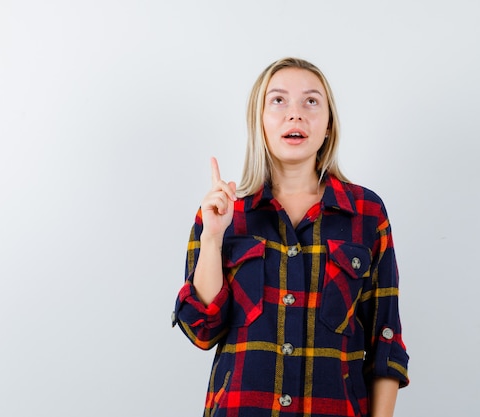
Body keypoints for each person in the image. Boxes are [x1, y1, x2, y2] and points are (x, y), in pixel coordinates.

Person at [172, 57, 409, 417]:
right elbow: (201, 330)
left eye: (311, 101)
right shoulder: (223, 213)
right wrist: (212, 239)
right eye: (278, 100)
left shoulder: (367, 213)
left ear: (328, 124)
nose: (295, 114)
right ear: (260, 121)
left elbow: (385, 342)